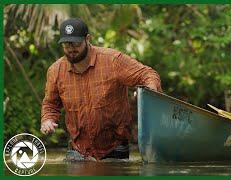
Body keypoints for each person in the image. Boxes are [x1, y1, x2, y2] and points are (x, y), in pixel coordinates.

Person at [40, 18, 162, 161]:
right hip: (78, 150)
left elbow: (147, 74)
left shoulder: (112, 61)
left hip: (115, 148)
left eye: (76, 43)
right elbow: (50, 104)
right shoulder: (55, 71)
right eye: (67, 45)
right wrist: (47, 120)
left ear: (87, 39)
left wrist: (151, 91)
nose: (72, 49)